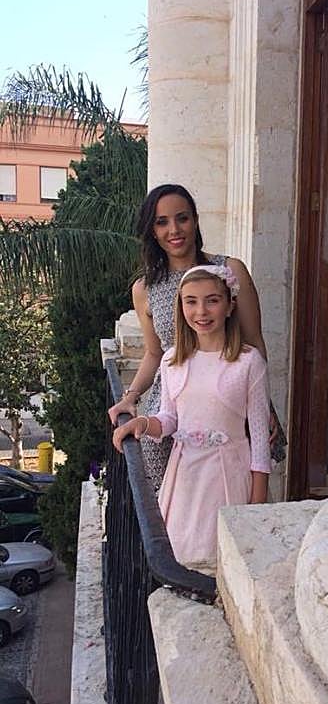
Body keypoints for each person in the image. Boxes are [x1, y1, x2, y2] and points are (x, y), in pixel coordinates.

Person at [108, 183, 282, 488]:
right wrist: (131, 397)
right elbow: (154, 353)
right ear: (152, 230)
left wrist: (261, 405)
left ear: (195, 220)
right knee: (173, 498)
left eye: (182, 218)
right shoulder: (145, 288)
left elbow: (254, 341)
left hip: (227, 398)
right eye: (162, 222)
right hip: (174, 404)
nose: (174, 230)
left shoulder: (230, 270)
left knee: (236, 486)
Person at [112, 264, 271, 568]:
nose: (201, 311)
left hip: (227, 477)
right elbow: (170, 419)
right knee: (180, 557)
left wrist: (256, 507)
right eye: (191, 301)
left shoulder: (249, 362)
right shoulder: (173, 360)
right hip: (184, 477)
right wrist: (143, 423)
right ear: (181, 306)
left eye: (212, 300)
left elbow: (261, 440)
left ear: (229, 306)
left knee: (222, 559)